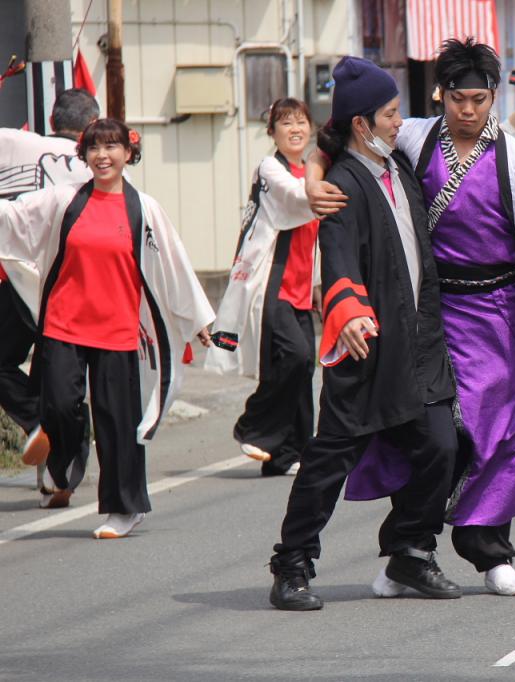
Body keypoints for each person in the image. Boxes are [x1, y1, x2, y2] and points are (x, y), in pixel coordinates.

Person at [307, 38, 515, 596]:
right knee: (427, 434)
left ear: (493, 96)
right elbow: (336, 139)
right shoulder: (411, 136)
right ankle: (409, 550)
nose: (468, 111)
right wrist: (313, 178)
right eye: (458, 99)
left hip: (498, 312)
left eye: (479, 100)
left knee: (499, 434)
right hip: (424, 310)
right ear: (440, 95)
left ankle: (491, 555)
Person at [267, 57, 461, 611]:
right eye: (390, 113)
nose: (399, 122)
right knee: (329, 460)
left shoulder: (399, 165)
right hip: (367, 346)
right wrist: (348, 307)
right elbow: (338, 252)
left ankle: (411, 551)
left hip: (418, 345)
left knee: (443, 445)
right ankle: (292, 564)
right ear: (361, 123)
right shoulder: (342, 184)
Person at [0, 118, 215, 539]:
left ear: (128, 153)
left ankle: (124, 507)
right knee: (58, 404)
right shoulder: (64, 200)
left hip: (117, 329)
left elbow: (173, 265)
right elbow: (14, 217)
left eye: (112, 146)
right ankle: (63, 464)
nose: (103, 155)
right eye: (95, 148)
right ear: (84, 155)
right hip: (63, 323)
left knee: (117, 421)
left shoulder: (144, 209)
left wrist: (198, 320)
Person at [205, 98, 319, 477]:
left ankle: (288, 454)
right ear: (272, 132)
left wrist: (319, 285)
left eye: (301, 122)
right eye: (286, 123)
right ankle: (253, 426)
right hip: (272, 283)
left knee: (301, 367)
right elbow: (299, 199)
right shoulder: (271, 168)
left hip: (301, 285)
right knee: (295, 357)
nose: (295, 129)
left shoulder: (311, 170)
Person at [0, 88, 98, 508]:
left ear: (53, 121)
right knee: (62, 381)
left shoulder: (16, 143)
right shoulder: (99, 160)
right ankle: (61, 475)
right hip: (76, 285)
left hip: (22, 279)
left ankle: (36, 422)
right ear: (91, 125)